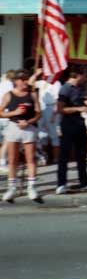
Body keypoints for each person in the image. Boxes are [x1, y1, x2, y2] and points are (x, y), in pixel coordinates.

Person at [1, 70, 42, 203]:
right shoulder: (9, 95)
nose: (25, 82)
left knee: (30, 159)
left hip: (28, 128)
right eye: (23, 79)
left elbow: (38, 113)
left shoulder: (32, 94)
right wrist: (14, 112)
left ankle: (32, 188)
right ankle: (11, 188)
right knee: (13, 160)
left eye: (26, 79)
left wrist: (28, 122)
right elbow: (1, 112)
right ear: (16, 81)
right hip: (13, 127)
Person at [54, 69, 87, 194]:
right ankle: (61, 183)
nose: (86, 79)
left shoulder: (80, 88)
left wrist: (85, 107)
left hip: (80, 123)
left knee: (81, 155)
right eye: (85, 76)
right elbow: (60, 109)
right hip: (68, 124)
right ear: (78, 75)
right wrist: (78, 108)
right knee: (64, 155)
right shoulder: (65, 88)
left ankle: (84, 182)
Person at [35, 76, 61, 165]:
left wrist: (54, 114)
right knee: (40, 133)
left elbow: (58, 99)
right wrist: (35, 74)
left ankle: (56, 158)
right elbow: (31, 83)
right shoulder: (42, 82)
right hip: (41, 108)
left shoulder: (56, 83)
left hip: (51, 108)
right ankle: (43, 157)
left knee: (54, 135)